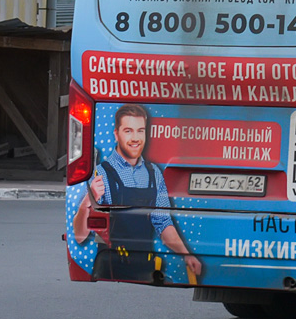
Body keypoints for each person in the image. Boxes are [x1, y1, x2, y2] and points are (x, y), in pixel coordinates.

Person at [72, 103, 203, 279]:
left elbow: (163, 223)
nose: (135, 138)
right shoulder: (101, 173)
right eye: (128, 131)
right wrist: (89, 199)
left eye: (140, 130)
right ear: (116, 135)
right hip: (111, 268)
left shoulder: (154, 173)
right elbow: (80, 236)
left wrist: (186, 255)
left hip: (145, 269)